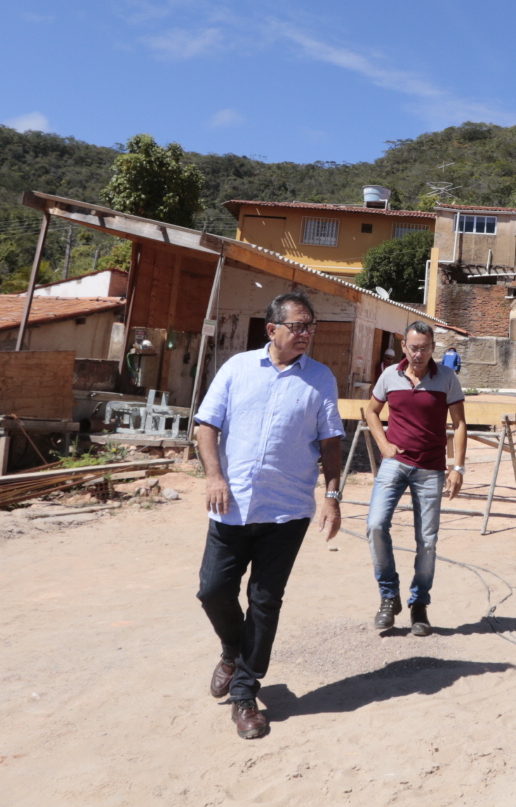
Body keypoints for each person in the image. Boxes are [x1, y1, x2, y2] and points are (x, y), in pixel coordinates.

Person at [193, 291, 343, 741]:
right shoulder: (237, 369)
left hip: (287, 511)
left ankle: (244, 694)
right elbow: (206, 426)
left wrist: (332, 495)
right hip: (231, 505)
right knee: (212, 589)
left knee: (264, 601)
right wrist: (214, 476)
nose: (306, 334)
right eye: (297, 326)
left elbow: (331, 441)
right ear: (271, 329)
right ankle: (231, 649)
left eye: (310, 327)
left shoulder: (320, 379)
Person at [363, 321, 468, 636]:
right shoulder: (389, 376)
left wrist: (458, 468)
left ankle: (419, 604)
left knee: (427, 540)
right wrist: (384, 445)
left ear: (432, 347)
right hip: (395, 464)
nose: (418, 354)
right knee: (375, 525)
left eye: (424, 347)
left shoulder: (447, 378)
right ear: (404, 347)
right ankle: (388, 595)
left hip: (431, 468)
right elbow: (371, 411)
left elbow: (460, 424)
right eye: (413, 347)